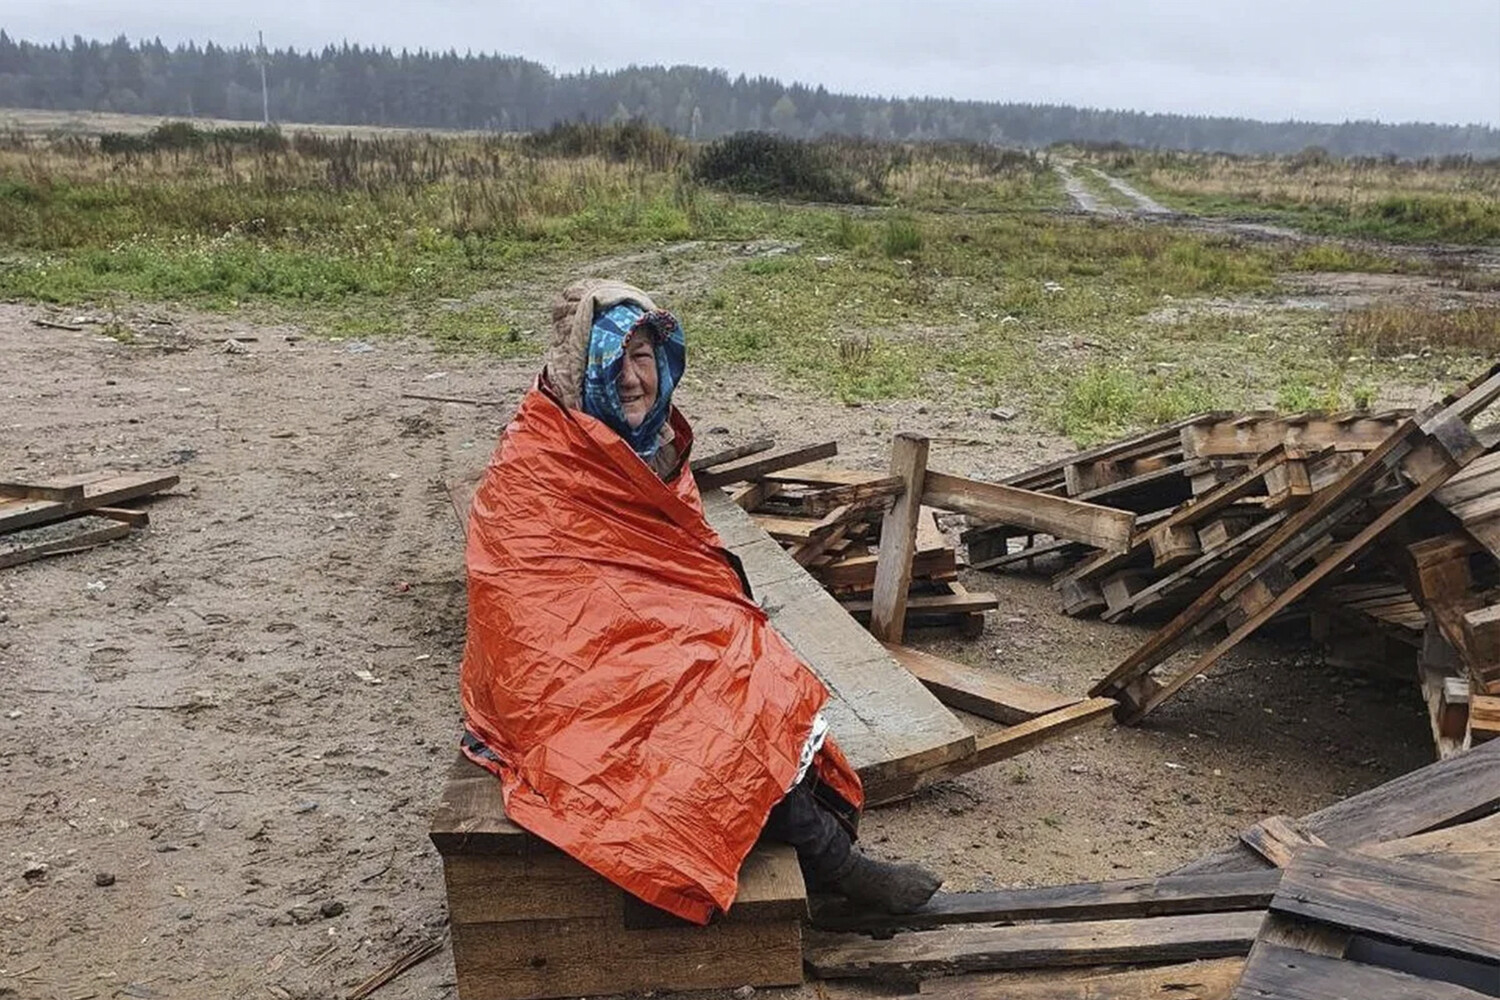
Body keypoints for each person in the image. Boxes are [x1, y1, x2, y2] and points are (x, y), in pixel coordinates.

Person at [459, 278, 941, 924]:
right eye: (615, 360)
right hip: (558, 677)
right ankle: (836, 868)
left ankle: (820, 854)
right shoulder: (540, 459)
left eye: (643, 358)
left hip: (624, 635)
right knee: (717, 694)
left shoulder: (645, 445)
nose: (633, 379)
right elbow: (525, 599)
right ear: (587, 370)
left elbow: (674, 567)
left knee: (750, 656)